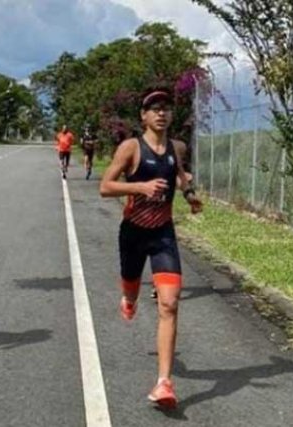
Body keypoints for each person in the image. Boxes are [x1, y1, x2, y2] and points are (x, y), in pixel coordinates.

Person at [99, 87, 203, 409]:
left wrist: (189, 195)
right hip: (133, 233)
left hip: (163, 235)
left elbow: (179, 175)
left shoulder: (176, 147)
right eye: (154, 108)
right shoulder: (131, 148)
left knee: (170, 304)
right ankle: (129, 298)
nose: (161, 113)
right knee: (131, 287)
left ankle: (164, 383)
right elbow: (105, 187)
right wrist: (139, 186)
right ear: (143, 116)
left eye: (166, 108)